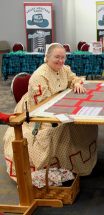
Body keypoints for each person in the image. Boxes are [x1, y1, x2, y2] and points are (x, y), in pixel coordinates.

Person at [3, 43, 98, 181]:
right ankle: (61, 169)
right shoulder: (39, 76)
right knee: (64, 127)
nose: (61, 60)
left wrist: (76, 83)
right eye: (57, 57)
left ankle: (78, 166)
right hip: (37, 116)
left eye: (63, 57)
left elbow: (73, 78)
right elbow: (43, 106)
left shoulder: (63, 69)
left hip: (58, 107)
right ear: (47, 57)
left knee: (86, 123)